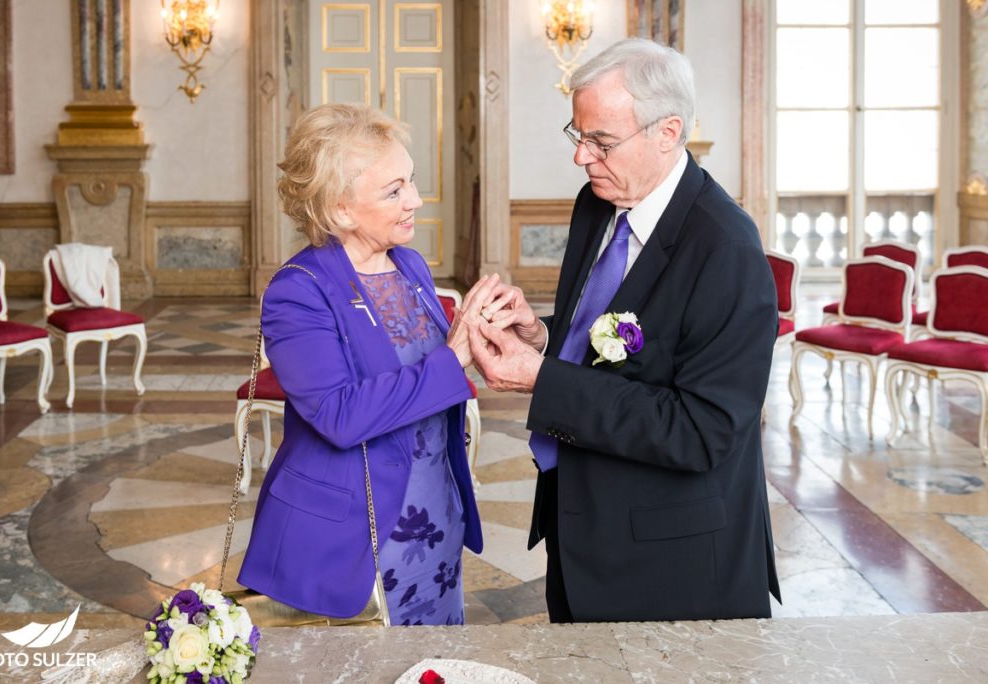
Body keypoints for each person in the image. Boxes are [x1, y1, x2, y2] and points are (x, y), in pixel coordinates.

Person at [467, 38, 781, 622]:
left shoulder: (726, 250)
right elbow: (626, 330)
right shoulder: (598, 202)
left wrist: (544, 378)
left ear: (668, 132)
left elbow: (701, 429)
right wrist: (544, 336)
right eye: (577, 134)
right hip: (584, 529)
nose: (581, 158)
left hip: (674, 561)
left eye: (601, 141)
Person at [239, 104, 489, 626]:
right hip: (356, 532)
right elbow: (339, 415)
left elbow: (430, 375)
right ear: (340, 209)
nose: (415, 201)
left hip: (432, 510)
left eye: (412, 183)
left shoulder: (410, 265)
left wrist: (487, 335)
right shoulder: (298, 291)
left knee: (431, 662)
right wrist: (453, 358)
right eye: (394, 190)